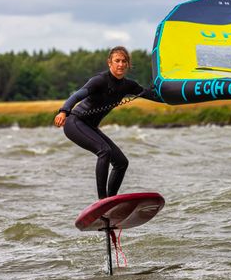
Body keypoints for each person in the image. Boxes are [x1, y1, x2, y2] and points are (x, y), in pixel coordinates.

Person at [54, 47, 158, 199]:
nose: (120, 64)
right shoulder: (100, 80)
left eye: (124, 61)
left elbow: (153, 95)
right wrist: (64, 111)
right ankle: (102, 201)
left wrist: (175, 93)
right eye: (117, 61)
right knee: (104, 151)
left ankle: (111, 201)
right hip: (75, 122)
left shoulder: (128, 85)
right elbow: (77, 95)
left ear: (128, 64)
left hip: (91, 127)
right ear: (109, 63)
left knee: (121, 163)